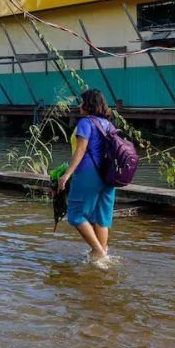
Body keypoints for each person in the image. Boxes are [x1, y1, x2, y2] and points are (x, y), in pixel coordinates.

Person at [56, 89, 117, 260]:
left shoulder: (85, 123)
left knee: (76, 214)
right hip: (108, 175)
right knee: (101, 217)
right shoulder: (109, 124)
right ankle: (101, 258)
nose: (79, 105)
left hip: (89, 173)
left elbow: (80, 151)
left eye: (81, 102)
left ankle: (98, 251)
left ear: (88, 104)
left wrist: (66, 175)